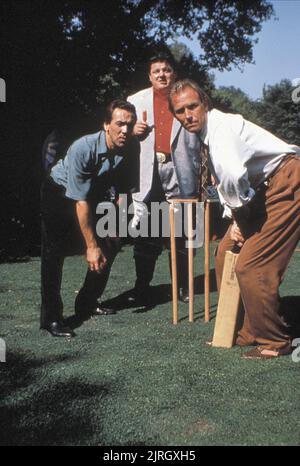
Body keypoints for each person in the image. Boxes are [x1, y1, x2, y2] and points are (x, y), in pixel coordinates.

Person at [169, 78, 300, 359]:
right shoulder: (210, 132)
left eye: (192, 106)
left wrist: (239, 219)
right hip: (264, 190)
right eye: (180, 111)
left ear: (205, 104)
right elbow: (231, 183)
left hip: (287, 182)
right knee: (225, 252)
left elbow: (231, 174)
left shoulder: (221, 131)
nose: (187, 115)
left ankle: (275, 342)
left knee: (251, 265)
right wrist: (236, 218)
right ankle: (245, 329)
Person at [40, 100, 139, 337]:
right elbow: (80, 202)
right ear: (106, 125)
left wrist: (115, 224)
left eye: (130, 124)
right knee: (54, 254)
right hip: (59, 194)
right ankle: (51, 318)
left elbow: (124, 191)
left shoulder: (131, 146)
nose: (125, 130)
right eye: (119, 124)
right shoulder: (83, 148)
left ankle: (87, 302)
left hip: (92, 193)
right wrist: (91, 246)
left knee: (112, 242)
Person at [126, 52, 201, 305]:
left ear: (173, 74)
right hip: (148, 172)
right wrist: (132, 129)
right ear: (150, 76)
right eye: (156, 71)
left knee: (182, 233)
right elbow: (120, 133)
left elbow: (202, 132)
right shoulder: (135, 101)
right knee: (146, 233)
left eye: (166, 70)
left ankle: (181, 287)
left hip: (179, 170)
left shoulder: (186, 99)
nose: (162, 75)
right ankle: (141, 285)